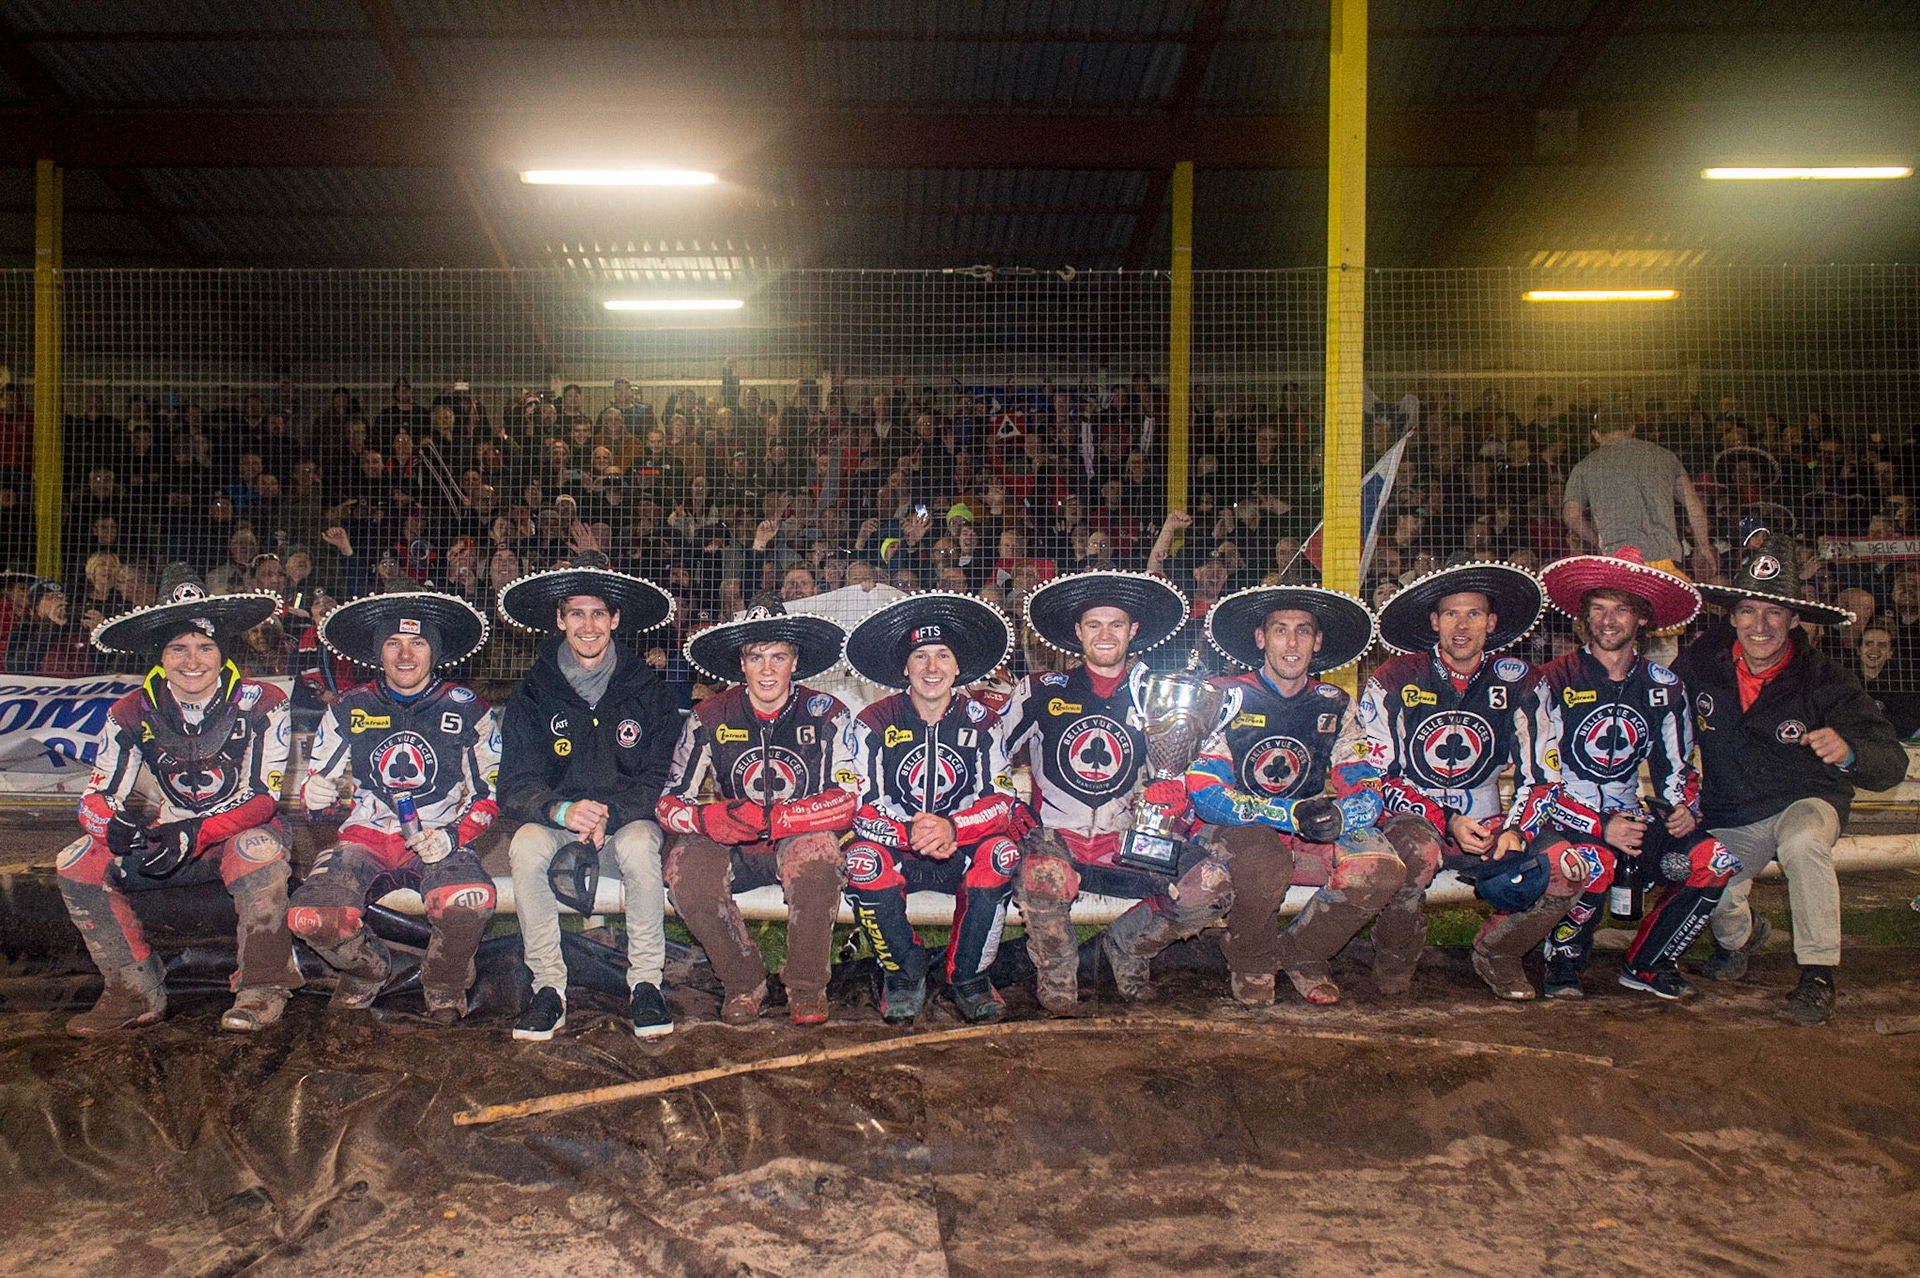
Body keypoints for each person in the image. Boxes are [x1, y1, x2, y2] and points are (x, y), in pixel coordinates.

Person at [60, 571, 297, 1035]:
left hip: (235, 834)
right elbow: (95, 796)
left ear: (222, 651)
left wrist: (199, 831)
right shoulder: (129, 710)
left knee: (259, 850)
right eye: (178, 649)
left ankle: (262, 989)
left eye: (204, 647)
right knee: (76, 862)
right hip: (168, 835)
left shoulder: (264, 701)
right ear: (160, 656)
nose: (193, 661)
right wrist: (107, 826)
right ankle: (134, 989)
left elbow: (264, 800)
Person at [1678, 543, 1906, 1024]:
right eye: (1748, 610)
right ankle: (1742, 938)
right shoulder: (1701, 665)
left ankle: (1818, 975)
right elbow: (1655, 710)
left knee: (1804, 844)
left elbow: (1891, 762)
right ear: (1733, 616)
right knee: (1702, 875)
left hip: (1807, 799)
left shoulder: (1826, 679)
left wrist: (1849, 752)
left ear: (1795, 619)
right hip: (1733, 811)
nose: (1760, 626)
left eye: (1774, 612)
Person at [1359, 562, 1587, 1001]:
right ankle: (1396, 953)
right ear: (1434, 622)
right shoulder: (1395, 677)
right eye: (1450, 614)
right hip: (1413, 816)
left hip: (1493, 820)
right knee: (1414, 852)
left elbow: (1542, 775)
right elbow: (1378, 775)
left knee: (1568, 868)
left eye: (1474, 614)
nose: (1462, 626)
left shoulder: (1522, 681)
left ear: (1492, 623)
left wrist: (1518, 829)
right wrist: (1446, 820)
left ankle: (1498, 953)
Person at [1004, 570, 1228, 1013]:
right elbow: (991, 758)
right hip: (1056, 842)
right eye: (1094, 625)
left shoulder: (1160, 695)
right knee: (1043, 874)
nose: (1105, 635)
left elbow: (1194, 764)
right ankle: (1058, 971)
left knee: (1213, 886)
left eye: (1116, 625)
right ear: (1077, 632)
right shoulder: (1038, 692)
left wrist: (1176, 790)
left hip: (1126, 842)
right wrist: (1009, 805)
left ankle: (1127, 947)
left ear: (1133, 631)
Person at [1527, 550, 1737, 1000]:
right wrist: (1600, 825)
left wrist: (1684, 809)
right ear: (1583, 616)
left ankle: (1647, 964)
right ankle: (1562, 964)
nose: (1608, 619)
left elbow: (1676, 769)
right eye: (1598, 607)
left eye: (1621, 608)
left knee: (1714, 859)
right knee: (1593, 861)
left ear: (1642, 617)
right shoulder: (1550, 679)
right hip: (1563, 819)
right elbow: (1538, 783)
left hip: (1631, 816)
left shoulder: (1664, 686)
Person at [289, 592, 501, 1025]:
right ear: (378, 652)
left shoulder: (467, 708)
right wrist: (313, 794)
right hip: (365, 836)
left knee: (469, 899)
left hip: (439, 834)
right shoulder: (350, 706)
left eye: (418, 644)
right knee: (311, 916)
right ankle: (367, 969)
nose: (405, 655)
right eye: (393, 644)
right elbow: (317, 781)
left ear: (434, 652)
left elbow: (489, 795)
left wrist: (451, 837)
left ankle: (444, 983)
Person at [495, 551, 680, 1040]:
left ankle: (645, 983)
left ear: (615, 619)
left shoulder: (649, 688)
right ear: (560, 620)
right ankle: (548, 989)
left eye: (599, 612)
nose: (588, 624)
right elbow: (512, 784)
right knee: (525, 845)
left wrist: (611, 815)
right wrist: (561, 809)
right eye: (576, 613)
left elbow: (659, 775)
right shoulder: (534, 692)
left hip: (624, 825)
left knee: (643, 845)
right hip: (560, 825)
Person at [1189, 585, 1398, 1006]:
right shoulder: (1223, 694)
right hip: (1230, 832)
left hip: (1303, 827)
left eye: (1303, 631)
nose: (1292, 641)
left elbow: (1365, 782)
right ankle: (1250, 958)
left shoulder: (1336, 702)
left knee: (1381, 868)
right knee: (1266, 858)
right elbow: (1205, 793)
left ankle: (1304, 953)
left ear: (1317, 642)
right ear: (1261, 639)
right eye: (1280, 630)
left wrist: (1345, 815)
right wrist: (1290, 814)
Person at [657, 600, 856, 1025]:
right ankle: (744, 981)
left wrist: (778, 820)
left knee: (819, 857)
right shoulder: (709, 716)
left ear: (795, 662)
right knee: (684, 870)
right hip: (736, 839)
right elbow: (670, 801)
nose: (767, 670)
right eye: (755, 657)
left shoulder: (827, 714)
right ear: (741, 663)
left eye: (778, 657)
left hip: (799, 837)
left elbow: (848, 798)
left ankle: (806, 988)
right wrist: (709, 820)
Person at [841, 591, 1022, 1023]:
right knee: (862, 861)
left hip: (959, 847)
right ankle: (904, 971)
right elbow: (859, 805)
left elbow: (1002, 800)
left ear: (959, 667)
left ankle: (970, 976)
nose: (932, 668)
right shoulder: (873, 720)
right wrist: (910, 834)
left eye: (943, 656)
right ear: (905, 668)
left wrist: (953, 829)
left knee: (1001, 853)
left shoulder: (983, 720)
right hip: (897, 848)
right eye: (921, 657)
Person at [1563, 405, 1718, 584]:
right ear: (1632, 428)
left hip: (1620, 560)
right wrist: (1704, 547)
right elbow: (1693, 505)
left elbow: (1571, 515)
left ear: (1596, 434)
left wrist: (1597, 541)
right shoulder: (1665, 456)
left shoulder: (1584, 466)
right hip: (1665, 557)